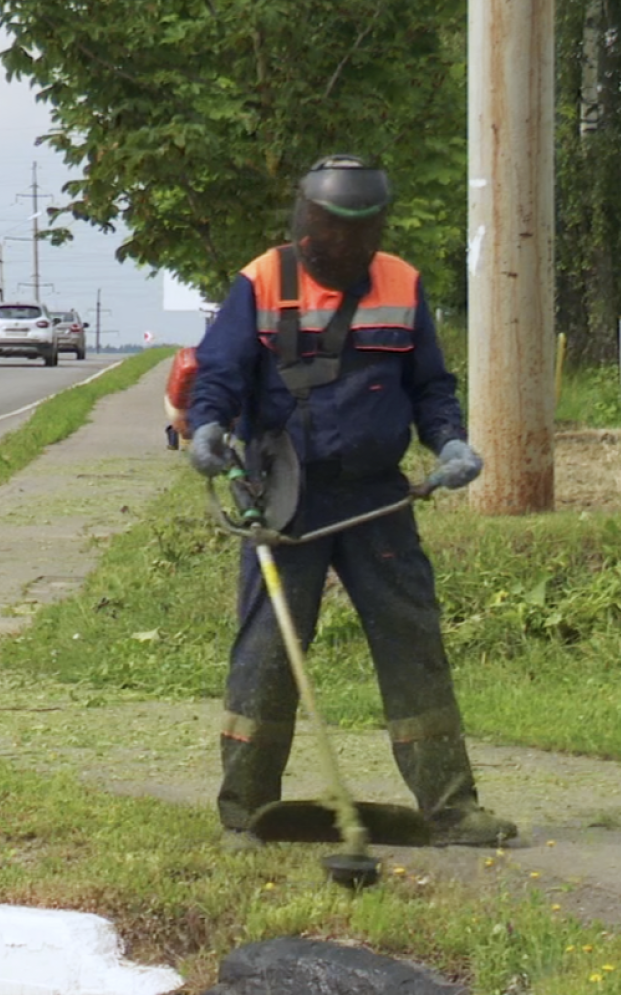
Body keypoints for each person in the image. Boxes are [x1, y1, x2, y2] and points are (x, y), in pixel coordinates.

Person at [186, 154, 517, 849]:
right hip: (283, 497)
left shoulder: (401, 284)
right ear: (305, 224)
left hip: (375, 496)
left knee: (411, 641)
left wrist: (449, 443)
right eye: (324, 233)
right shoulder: (260, 281)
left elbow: (429, 385)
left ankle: (451, 810)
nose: (335, 247)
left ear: (371, 232)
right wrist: (210, 426)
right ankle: (244, 810)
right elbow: (218, 371)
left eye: (350, 237)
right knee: (268, 648)